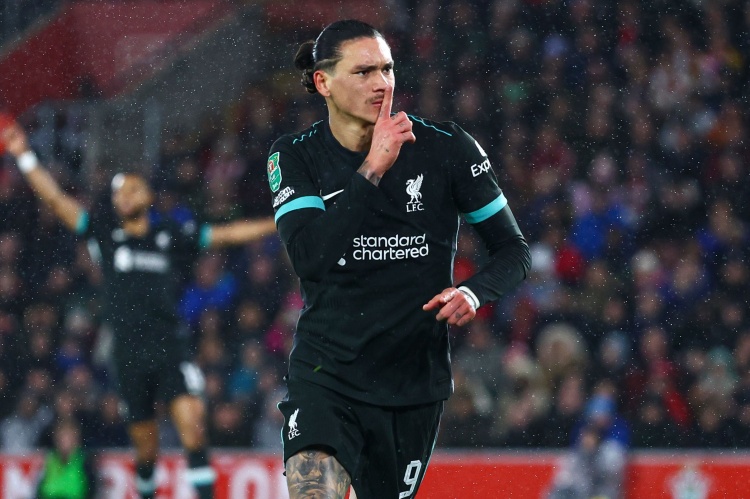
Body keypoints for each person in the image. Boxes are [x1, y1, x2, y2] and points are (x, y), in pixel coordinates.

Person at [270, 19, 531, 499]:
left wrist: (474, 293)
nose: (382, 83)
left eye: (387, 69)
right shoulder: (295, 156)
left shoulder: (446, 148)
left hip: (412, 383)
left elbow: (514, 251)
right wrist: (372, 167)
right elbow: (310, 258)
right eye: (364, 72)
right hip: (327, 376)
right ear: (323, 82)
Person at [1, 122, 277, 499]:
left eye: (130, 188)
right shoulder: (105, 234)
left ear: (147, 194)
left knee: (193, 428)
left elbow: (226, 234)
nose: (124, 196)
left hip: (171, 348)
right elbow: (56, 200)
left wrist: (280, 220)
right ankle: (146, 488)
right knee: (146, 450)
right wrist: (24, 155)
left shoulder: (169, 235)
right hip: (130, 355)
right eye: (117, 193)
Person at [35, 418, 98, 499]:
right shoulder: (49, 459)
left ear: (76, 439)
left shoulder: (84, 460)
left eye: (69, 437)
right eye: (62, 437)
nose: (65, 441)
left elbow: (91, 489)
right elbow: (39, 487)